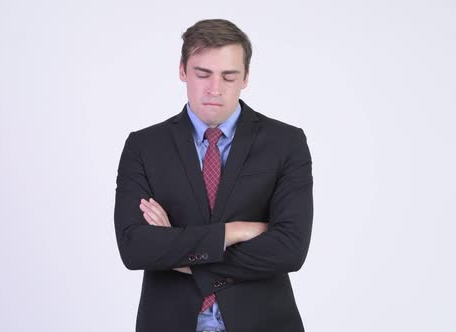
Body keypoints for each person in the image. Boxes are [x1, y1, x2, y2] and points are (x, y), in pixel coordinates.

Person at [114, 19, 313, 332]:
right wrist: (233, 231)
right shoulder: (144, 146)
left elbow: (290, 249)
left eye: (229, 77)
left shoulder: (286, 143)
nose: (214, 89)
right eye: (202, 74)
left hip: (264, 323)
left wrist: (176, 252)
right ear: (182, 70)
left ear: (246, 77)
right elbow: (135, 247)